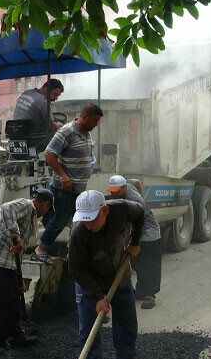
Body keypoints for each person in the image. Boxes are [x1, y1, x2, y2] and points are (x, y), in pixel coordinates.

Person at [68, 190, 151, 359]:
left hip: (118, 272)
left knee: (127, 322)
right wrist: (98, 297)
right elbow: (76, 269)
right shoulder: (78, 232)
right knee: (89, 331)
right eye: (84, 220)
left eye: (92, 219)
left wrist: (135, 242)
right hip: (90, 282)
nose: (88, 224)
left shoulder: (122, 209)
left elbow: (141, 214)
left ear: (104, 211)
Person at [0, 189, 55, 359]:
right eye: (47, 210)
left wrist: (18, 278)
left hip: (7, 265)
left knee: (13, 303)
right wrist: (15, 234)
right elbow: (5, 208)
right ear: (45, 205)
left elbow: (17, 251)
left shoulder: (29, 217)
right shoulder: (28, 206)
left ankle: (15, 334)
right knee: (1, 306)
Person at [34, 103, 103, 262]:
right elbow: (49, 154)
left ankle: (72, 252)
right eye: (94, 121)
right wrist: (63, 175)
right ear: (84, 117)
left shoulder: (86, 133)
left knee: (79, 223)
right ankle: (40, 248)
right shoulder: (67, 131)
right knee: (60, 219)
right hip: (65, 188)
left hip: (79, 188)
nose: (95, 125)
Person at [107, 175, 162, 309]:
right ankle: (142, 291)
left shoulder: (134, 201)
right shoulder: (129, 185)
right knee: (137, 264)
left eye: (117, 191)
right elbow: (137, 181)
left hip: (149, 232)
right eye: (112, 191)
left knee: (149, 265)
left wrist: (129, 244)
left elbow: (134, 228)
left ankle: (150, 295)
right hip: (136, 228)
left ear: (124, 188)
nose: (113, 194)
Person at [13, 79, 64, 152]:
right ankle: (53, 160)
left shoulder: (27, 93)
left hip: (16, 135)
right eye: (55, 94)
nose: (56, 98)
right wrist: (59, 124)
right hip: (32, 138)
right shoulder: (43, 101)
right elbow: (52, 125)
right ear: (46, 89)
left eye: (58, 96)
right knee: (60, 133)